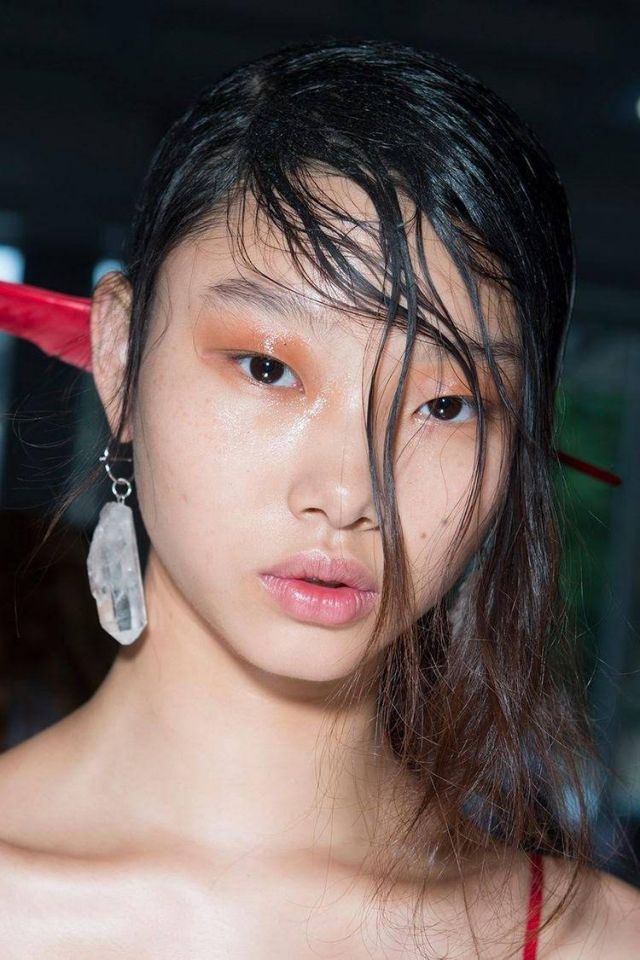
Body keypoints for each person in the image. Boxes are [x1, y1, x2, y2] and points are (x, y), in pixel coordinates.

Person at [0, 37, 638, 959]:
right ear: (120, 358)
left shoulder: (597, 941)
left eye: (446, 405)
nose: (346, 493)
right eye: (267, 368)